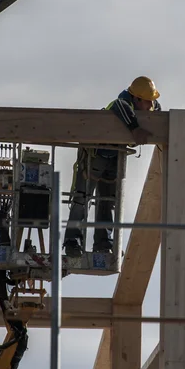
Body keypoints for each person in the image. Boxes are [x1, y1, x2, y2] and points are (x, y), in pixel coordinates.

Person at [63, 76, 161, 257]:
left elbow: (156, 111)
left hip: (113, 158)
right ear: (137, 99)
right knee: (82, 199)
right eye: (147, 102)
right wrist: (134, 128)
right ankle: (72, 241)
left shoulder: (143, 106)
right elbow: (119, 105)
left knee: (107, 202)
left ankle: (103, 243)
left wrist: (154, 113)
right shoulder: (122, 104)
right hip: (95, 155)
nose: (150, 106)